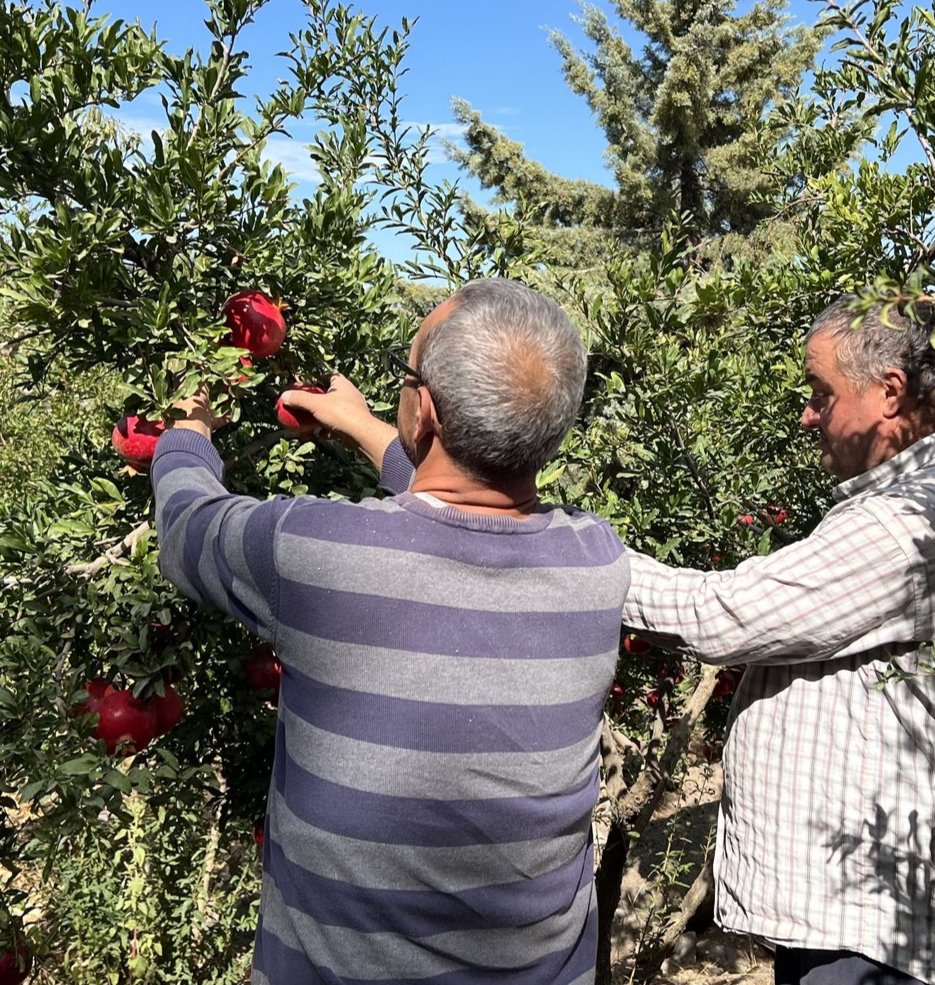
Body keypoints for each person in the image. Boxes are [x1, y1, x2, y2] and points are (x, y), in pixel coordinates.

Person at [151, 278, 630, 985]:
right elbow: (461, 493)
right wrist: (364, 424)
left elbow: (186, 525)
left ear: (427, 409)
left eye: (408, 377)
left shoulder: (315, 552)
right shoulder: (597, 559)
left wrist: (187, 430)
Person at [622, 296, 935, 985]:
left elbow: (720, 616)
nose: (808, 416)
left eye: (821, 394)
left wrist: (576, 553)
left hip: (880, 935)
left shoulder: (911, 523)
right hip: (880, 914)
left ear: (889, 394)